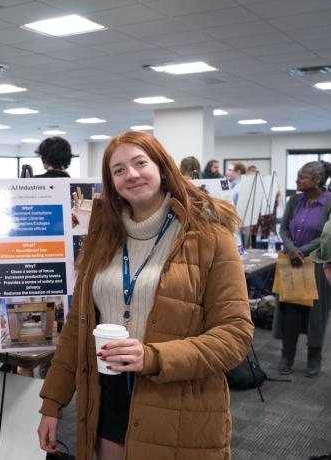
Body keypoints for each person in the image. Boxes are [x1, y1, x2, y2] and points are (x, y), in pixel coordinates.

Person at [37, 131, 253, 460]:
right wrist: (52, 404)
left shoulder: (209, 235)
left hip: (178, 400)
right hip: (107, 396)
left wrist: (152, 357)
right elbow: (76, 331)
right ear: (111, 183)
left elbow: (235, 335)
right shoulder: (103, 236)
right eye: (119, 170)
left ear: (162, 168)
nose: (131, 174)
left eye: (140, 163)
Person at [274, 161, 331, 377]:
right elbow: (284, 228)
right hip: (292, 262)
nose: (297, 181)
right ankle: (287, 356)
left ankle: (314, 358)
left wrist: (303, 250)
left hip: (317, 265)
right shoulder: (294, 200)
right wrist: (291, 249)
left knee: (315, 313)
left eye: (302, 177)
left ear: (317, 180)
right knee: (290, 311)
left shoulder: (329, 202)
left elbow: (327, 236)